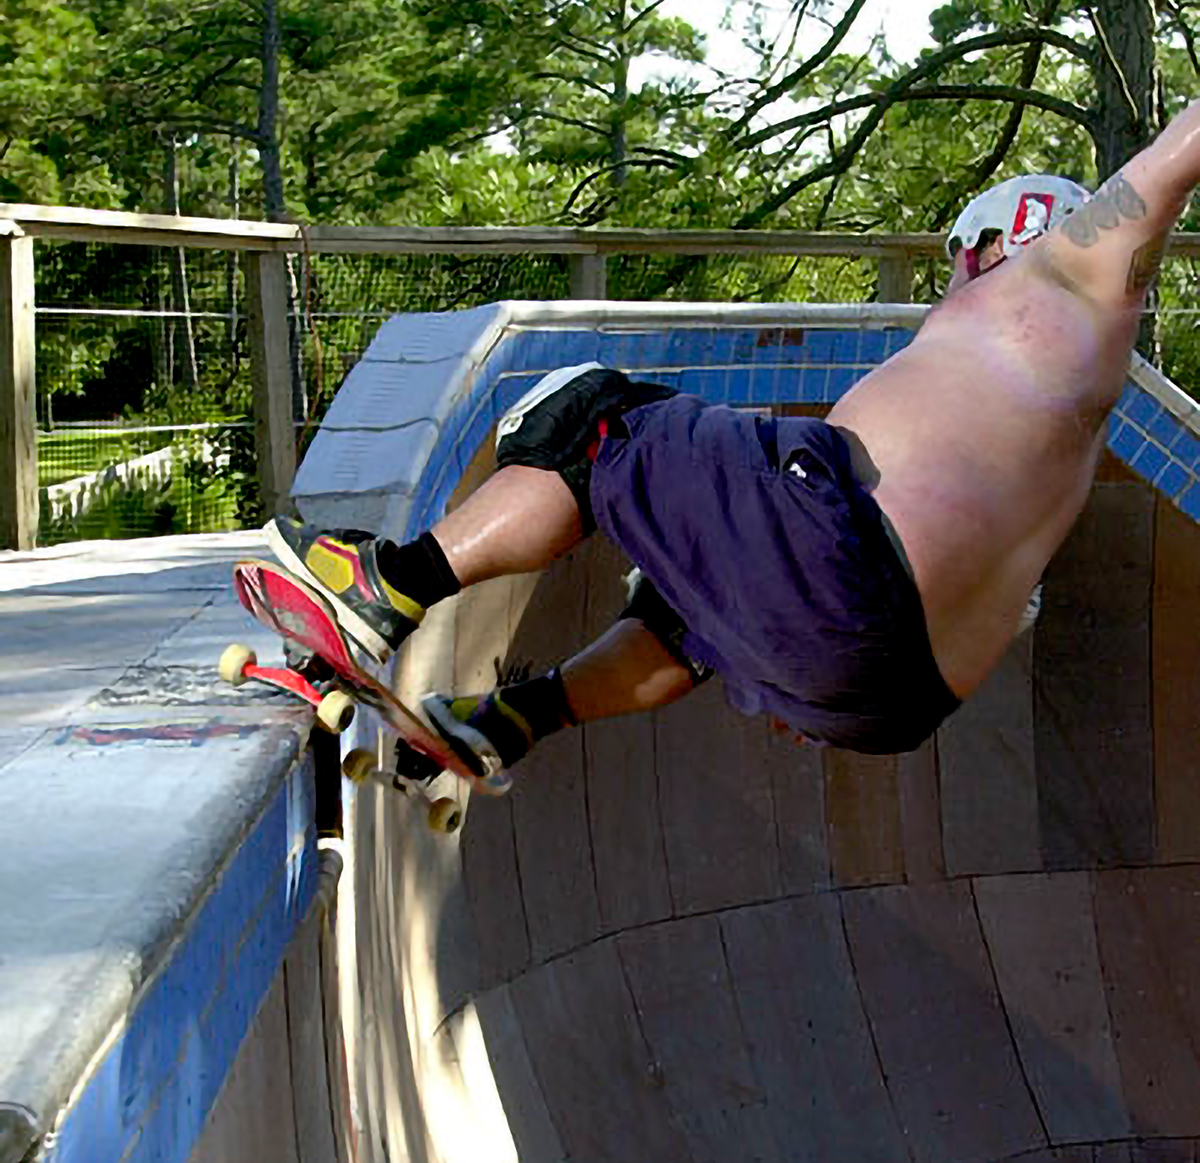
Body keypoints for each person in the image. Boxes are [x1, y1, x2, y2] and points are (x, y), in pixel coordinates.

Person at [267, 102, 1200, 780]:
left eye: (957, 264)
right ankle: (514, 719)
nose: (950, 288)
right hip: (890, 693)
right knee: (690, 598)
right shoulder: (1064, 439)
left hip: (844, 568)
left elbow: (1173, 157)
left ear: (988, 243)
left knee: (593, 417)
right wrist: (813, 668)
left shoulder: (1065, 271)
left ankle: (385, 587)